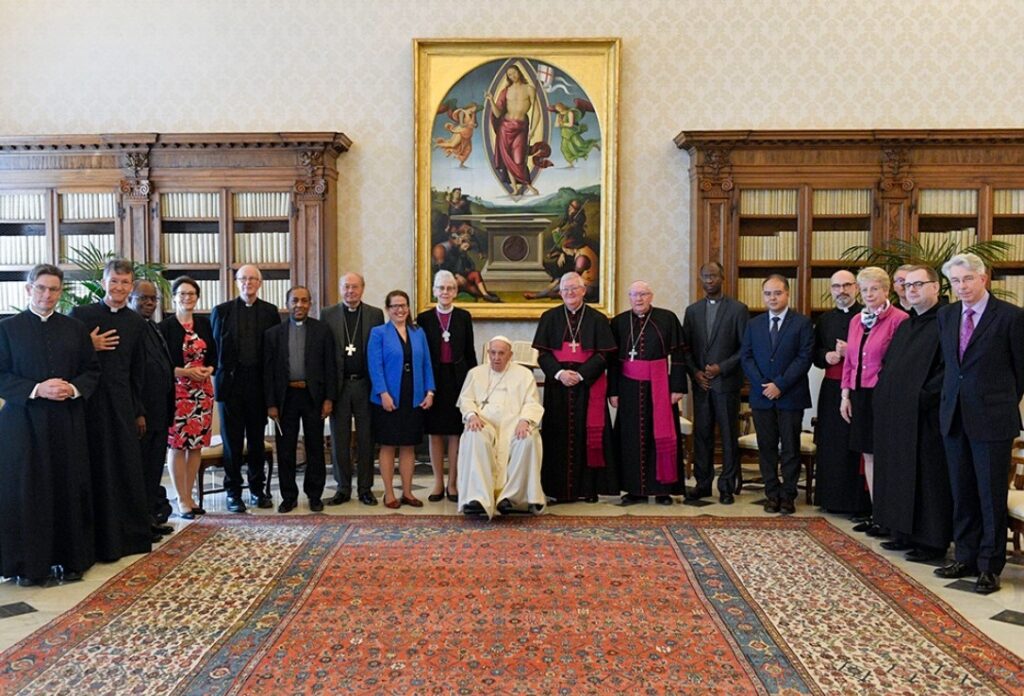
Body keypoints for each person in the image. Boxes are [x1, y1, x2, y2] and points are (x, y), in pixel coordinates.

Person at [0, 264, 100, 586]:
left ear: (61, 292)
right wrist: (37, 389)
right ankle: (29, 566)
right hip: (23, 424)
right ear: (29, 289)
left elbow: (91, 370)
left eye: (54, 289)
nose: (47, 295)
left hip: (65, 421)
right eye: (41, 288)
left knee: (67, 487)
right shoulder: (7, 329)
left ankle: (72, 560)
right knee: (28, 491)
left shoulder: (74, 329)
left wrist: (71, 389)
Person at [933, 253, 1024, 594]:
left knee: (989, 495)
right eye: (955, 281)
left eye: (967, 279)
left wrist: (998, 403)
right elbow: (950, 366)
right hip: (954, 415)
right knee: (962, 491)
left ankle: (989, 565)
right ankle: (965, 555)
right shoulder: (947, 315)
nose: (961, 287)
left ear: (983, 278)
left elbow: (1020, 371)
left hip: (993, 419)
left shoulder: (1011, 317)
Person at [70, 259, 156, 560]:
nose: (119, 287)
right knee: (93, 468)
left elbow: (137, 372)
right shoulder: (81, 316)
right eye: (114, 281)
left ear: (130, 287)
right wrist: (87, 344)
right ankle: (93, 540)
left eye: (125, 282)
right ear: (103, 282)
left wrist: (139, 410)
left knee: (123, 468)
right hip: (89, 404)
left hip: (121, 405)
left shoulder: (135, 323)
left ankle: (126, 537)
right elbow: (67, 361)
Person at [872, 265, 953, 563]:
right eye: (907, 285)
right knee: (899, 473)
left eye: (919, 284)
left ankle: (931, 542)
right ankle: (902, 531)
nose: (912, 290)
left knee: (928, 477)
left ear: (936, 287)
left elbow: (948, 369)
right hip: (898, 415)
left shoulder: (947, 321)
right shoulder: (907, 324)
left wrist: (922, 397)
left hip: (926, 416)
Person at [532, 272, 617, 503]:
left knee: (586, 435)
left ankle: (587, 489)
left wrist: (580, 375)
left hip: (587, 387)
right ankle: (556, 490)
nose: (569, 293)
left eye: (574, 288)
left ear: (584, 290)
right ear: (560, 292)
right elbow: (542, 354)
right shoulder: (549, 317)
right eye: (565, 289)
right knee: (557, 435)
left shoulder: (597, 319)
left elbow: (603, 355)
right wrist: (560, 374)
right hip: (557, 386)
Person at [839, 267, 909, 536]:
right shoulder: (856, 320)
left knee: (887, 456)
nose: (869, 294)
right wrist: (845, 395)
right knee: (868, 454)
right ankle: (877, 512)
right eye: (864, 289)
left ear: (886, 290)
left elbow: (898, 363)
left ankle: (891, 515)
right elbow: (850, 361)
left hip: (885, 396)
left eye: (874, 289)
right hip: (859, 394)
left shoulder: (899, 319)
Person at [739, 274, 814, 515]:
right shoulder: (754, 324)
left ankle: (788, 495)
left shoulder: (802, 323)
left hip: (790, 396)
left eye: (777, 293)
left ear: (787, 294)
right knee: (767, 447)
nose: (772, 298)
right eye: (768, 293)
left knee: (790, 448)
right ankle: (771, 494)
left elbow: (804, 358)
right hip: (762, 396)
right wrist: (763, 383)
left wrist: (779, 385)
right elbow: (746, 357)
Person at [609, 281, 687, 505]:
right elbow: (612, 361)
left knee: (661, 436)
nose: (639, 299)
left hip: (660, 386)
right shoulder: (619, 322)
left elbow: (679, 354)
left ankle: (663, 490)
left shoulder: (667, 318)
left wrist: (678, 387)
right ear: (629, 297)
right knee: (630, 438)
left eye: (643, 294)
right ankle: (634, 490)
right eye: (634, 295)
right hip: (628, 387)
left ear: (651, 296)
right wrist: (613, 391)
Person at [210, 264, 281, 513]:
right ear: (236, 282)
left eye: (253, 279)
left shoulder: (271, 312)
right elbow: (214, 350)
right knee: (232, 442)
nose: (248, 283)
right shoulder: (221, 311)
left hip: (258, 385)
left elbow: (274, 354)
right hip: (230, 385)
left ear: (260, 284)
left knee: (256, 441)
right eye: (243, 278)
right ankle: (233, 492)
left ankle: (257, 490)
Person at [264, 286, 337, 513]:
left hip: (313, 396)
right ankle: (288, 496)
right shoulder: (273, 334)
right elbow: (268, 373)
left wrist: (329, 398)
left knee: (315, 447)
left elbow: (330, 367)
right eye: (295, 300)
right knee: (285, 448)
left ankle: (315, 495)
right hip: (286, 398)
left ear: (310, 304)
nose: (299, 305)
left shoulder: (322, 330)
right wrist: (271, 403)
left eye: (304, 301)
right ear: (287, 304)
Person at [681, 262, 748, 504]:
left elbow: (744, 349)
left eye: (713, 276)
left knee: (728, 436)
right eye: (705, 277)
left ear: (722, 278)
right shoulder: (692, 311)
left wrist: (722, 368)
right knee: (702, 435)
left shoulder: (738, 309)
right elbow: (685, 348)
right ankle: (702, 484)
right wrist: (696, 373)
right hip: (701, 386)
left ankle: (727, 486)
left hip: (726, 383)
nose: (709, 280)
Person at [457, 336, 545, 518]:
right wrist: (472, 415)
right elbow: (465, 400)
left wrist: (525, 420)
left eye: (501, 353)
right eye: (493, 353)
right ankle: (477, 498)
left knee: (527, 439)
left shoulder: (524, 374)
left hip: (514, 424)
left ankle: (513, 498)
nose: (496, 358)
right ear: (488, 353)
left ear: (510, 355)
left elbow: (532, 402)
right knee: (474, 435)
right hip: (484, 423)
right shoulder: (475, 373)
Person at [367, 290, 435, 509]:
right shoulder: (378, 333)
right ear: (387, 309)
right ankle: (389, 494)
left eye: (403, 305)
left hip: (413, 395)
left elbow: (426, 364)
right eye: (395, 306)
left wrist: (430, 391)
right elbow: (374, 366)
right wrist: (383, 393)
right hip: (388, 397)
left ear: (408, 308)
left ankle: (407, 492)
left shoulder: (418, 332)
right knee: (388, 445)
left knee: (408, 446)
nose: (400, 310)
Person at [322, 272, 385, 506]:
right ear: (341, 289)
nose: (351, 291)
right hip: (339, 385)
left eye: (355, 287)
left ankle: (365, 488)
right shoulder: (328, 314)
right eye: (346, 287)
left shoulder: (375, 314)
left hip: (365, 384)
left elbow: (379, 351)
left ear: (363, 288)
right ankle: (342, 487)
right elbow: (325, 353)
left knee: (367, 438)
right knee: (339, 438)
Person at [811, 270, 869, 516]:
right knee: (831, 443)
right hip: (832, 390)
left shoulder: (866, 316)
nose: (841, 291)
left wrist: (851, 351)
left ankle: (857, 503)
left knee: (853, 443)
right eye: (836, 286)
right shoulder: (824, 320)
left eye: (846, 285)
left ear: (856, 288)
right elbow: (814, 353)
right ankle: (830, 498)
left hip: (858, 390)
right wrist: (826, 355)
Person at [416, 270, 477, 502]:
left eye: (450, 288)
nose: (445, 292)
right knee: (435, 432)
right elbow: (421, 355)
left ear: (456, 291)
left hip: (457, 378)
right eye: (441, 288)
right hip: (434, 378)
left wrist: (474, 383)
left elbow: (470, 352)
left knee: (455, 432)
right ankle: (437, 483)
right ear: (434, 291)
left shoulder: (463, 317)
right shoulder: (424, 319)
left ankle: (453, 483)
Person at [159, 277, 216, 519]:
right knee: (177, 445)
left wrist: (209, 369)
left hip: (202, 391)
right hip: (178, 392)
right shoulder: (165, 327)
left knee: (196, 446)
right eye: (182, 294)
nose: (187, 298)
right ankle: (181, 497)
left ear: (197, 297)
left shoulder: (204, 323)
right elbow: (162, 364)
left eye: (191, 294)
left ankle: (190, 495)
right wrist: (184, 371)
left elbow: (214, 355)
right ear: (174, 298)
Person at [128, 279, 175, 530]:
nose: (149, 303)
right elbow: (130, 377)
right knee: (142, 471)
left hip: (160, 413)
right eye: (143, 298)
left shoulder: (154, 327)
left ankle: (150, 517)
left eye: (153, 299)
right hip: (143, 416)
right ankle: (141, 522)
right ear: (130, 298)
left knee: (154, 469)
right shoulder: (130, 329)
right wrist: (138, 412)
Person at [485, 65, 539, 196]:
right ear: (508, 77)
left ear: (519, 72)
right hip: (505, 127)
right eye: (509, 75)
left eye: (514, 73)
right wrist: (491, 100)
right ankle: (515, 188)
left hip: (521, 128)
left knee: (519, 159)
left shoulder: (529, 89)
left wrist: (533, 130)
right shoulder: (505, 91)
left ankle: (528, 185)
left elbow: (537, 112)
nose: (513, 76)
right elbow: (497, 114)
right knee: (507, 158)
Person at [551, 101, 600, 167]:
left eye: (559, 108)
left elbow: (571, 124)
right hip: (565, 134)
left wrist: (563, 123)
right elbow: (556, 125)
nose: (559, 109)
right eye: (557, 109)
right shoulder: (559, 115)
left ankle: (593, 144)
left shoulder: (570, 113)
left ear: (562, 106)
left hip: (572, 133)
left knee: (580, 145)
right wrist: (558, 119)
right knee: (564, 149)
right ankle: (570, 163)